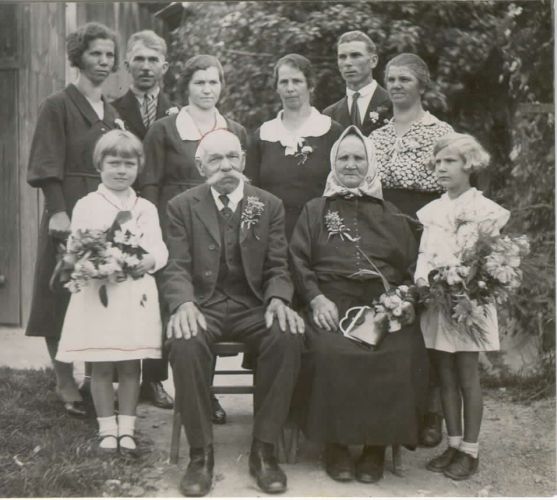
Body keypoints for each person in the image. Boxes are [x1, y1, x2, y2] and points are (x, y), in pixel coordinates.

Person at [161, 129, 304, 497]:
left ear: (242, 160)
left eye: (231, 157)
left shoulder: (268, 204)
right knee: (185, 341)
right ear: (200, 166)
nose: (225, 167)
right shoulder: (181, 206)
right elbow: (176, 266)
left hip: (252, 305)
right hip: (203, 305)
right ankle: (200, 455)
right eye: (215, 159)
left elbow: (277, 265)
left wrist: (278, 299)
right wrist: (183, 303)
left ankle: (264, 450)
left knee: (287, 335)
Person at [289, 126, 428, 484]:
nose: (351, 165)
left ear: (370, 163)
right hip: (330, 301)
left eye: (358, 158)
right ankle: (335, 444)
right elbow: (298, 259)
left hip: (381, 303)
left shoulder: (392, 213)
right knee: (328, 350)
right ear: (333, 163)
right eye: (344, 158)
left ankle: (375, 447)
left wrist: (401, 301)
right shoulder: (314, 210)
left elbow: (412, 269)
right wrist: (315, 298)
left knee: (398, 349)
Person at [138, 54, 245, 423]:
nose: (207, 89)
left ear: (222, 86)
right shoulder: (164, 129)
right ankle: (156, 381)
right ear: (186, 87)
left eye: (213, 82)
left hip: (218, 229)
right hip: (175, 225)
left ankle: (205, 393)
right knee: (172, 303)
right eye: (200, 82)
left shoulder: (233, 129)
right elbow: (150, 183)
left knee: (208, 303)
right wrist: (153, 233)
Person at [26, 22, 121, 418]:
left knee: (97, 291)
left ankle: (94, 378)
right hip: (67, 209)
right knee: (59, 293)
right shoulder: (58, 105)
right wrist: (58, 210)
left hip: (103, 210)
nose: (103, 61)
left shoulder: (111, 112)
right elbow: (46, 161)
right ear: (78, 57)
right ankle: (64, 378)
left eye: (109, 55)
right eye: (95, 53)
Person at [56, 130, 168, 454]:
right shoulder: (87, 205)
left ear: (139, 167)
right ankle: (107, 429)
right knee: (102, 365)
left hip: (134, 293)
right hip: (99, 293)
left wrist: (150, 259)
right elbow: (77, 246)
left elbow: (159, 246)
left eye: (129, 164)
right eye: (114, 163)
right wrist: (96, 263)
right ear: (99, 165)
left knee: (131, 365)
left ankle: (127, 429)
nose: (121, 170)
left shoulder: (145, 207)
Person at [370, 53, 454, 446]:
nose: (396, 85)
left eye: (404, 79)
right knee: (394, 313)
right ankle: (396, 408)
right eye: (391, 79)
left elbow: (453, 189)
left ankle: (430, 411)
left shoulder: (441, 132)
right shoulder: (377, 136)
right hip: (385, 235)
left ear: (422, 84)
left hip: (427, 232)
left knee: (428, 318)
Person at [415, 133, 509, 480]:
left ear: (468, 165)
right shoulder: (433, 211)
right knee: (444, 376)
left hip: (470, 302)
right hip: (439, 302)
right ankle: (453, 444)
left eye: (450, 161)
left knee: (468, 375)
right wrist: (423, 282)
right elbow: (425, 254)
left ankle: (470, 449)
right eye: (438, 162)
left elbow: (488, 259)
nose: (441, 167)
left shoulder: (484, 211)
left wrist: (465, 283)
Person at [111, 29, 175, 410]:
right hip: (121, 208)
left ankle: (153, 379)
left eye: (153, 60)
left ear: (164, 66)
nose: (146, 67)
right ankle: (115, 377)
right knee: (119, 288)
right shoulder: (111, 110)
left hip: (163, 213)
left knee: (158, 296)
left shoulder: (177, 113)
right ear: (127, 65)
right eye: (139, 59)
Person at [246, 53, 343, 240]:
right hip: (274, 235)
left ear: (310, 85)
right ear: (277, 88)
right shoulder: (263, 135)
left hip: (320, 234)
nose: (290, 88)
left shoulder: (332, 132)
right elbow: (252, 192)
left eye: (297, 81)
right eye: (284, 82)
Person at [323, 31, 391, 136]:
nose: (347, 63)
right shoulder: (329, 114)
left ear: (373, 61)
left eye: (355, 55)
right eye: (342, 57)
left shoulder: (394, 105)